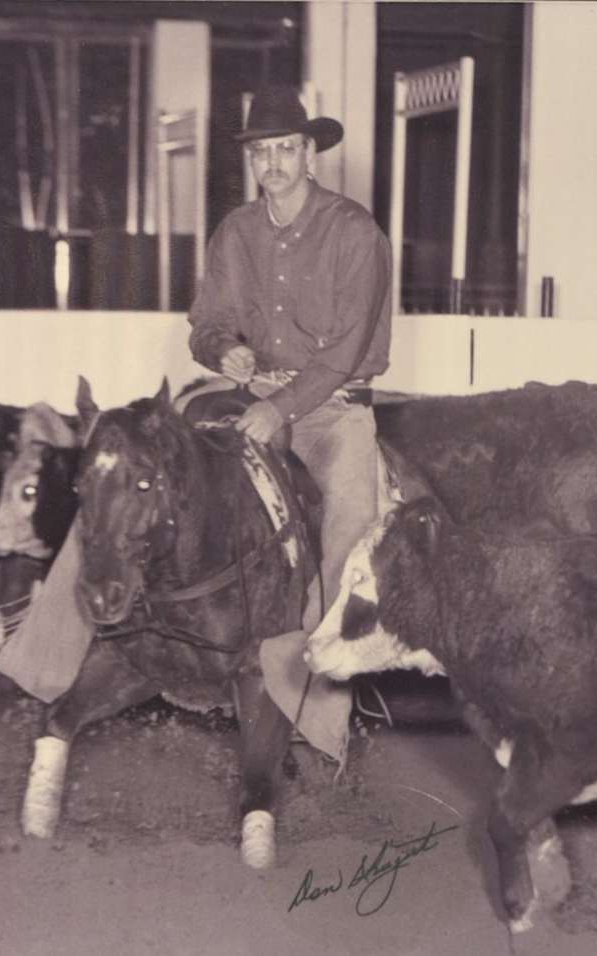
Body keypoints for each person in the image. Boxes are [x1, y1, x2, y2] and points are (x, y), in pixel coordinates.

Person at [186, 86, 393, 763]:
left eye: (285, 149)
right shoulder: (235, 232)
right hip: (252, 394)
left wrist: (279, 409)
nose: (272, 162)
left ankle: (321, 718)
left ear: (310, 155)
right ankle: (93, 660)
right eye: (261, 152)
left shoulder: (354, 232)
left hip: (333, 406)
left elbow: (344, 352)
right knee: (155, 471)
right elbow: (206, 323)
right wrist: (222, 350)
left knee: (346, 536)